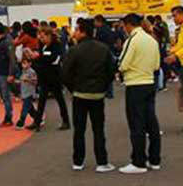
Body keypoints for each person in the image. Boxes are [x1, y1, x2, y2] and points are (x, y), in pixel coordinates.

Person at [61, 20, 114, 172]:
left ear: (83, 31)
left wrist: (73, 89)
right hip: (97, 95)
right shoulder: (103, 49)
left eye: (76, 30)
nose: (74, 33)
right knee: (98, 129)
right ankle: (102, 162)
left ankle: (78, 161)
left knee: (79, 130)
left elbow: (65, 74)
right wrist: (103, 87)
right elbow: (111, 71)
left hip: (79, 94)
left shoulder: (74, 50)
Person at [117, 12, 162, 174]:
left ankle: (138, 162)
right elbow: (157, 65)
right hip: (149, 82)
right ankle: (155, 159)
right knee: (151, 122)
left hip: (135, 85)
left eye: (123, 26)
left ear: (129, 24)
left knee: (136, 124)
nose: (124, 29)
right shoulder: (152, 40)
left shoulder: (132, 40)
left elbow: (123, 64)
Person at [28, 26, 69, 131]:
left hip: (54, 77)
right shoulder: (42, 45)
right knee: (41, 100)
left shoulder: (57, 45)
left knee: (60, 99)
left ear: (49, 36)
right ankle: (37, 122)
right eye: (40, 37)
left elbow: (53, 59)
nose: (41, 39)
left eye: (42, 37)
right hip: (44, 77)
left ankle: (66, 121)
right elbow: (44, 59)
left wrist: (39, 57)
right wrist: (38, 58)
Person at [16, 58, 38, 130]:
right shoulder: (23, 71)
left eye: (25, 63)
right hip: (24, 93)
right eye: (23, 63)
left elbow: (35, 82)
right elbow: (21, 80)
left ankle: (21, 121)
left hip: (30, 93)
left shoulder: (32, 72)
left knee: (25, 108)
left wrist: (28, 80)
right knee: (30, 108)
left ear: (30, 63)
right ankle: (38, 118)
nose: (23, 65)